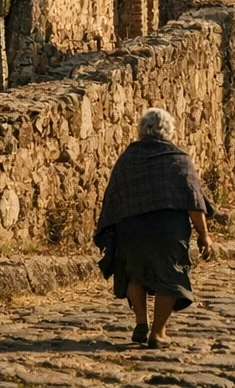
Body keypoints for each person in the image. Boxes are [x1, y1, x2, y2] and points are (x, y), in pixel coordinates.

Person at [96, 108, 215, 347]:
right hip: (167, 230)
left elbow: (114, 196)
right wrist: (204, 235)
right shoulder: (178, 159)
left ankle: (141, 321)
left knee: (134, 273)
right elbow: (194, 202)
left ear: (141, 130)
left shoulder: (127, 158)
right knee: (170, 276)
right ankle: (157, 333)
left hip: (130, 228)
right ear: (169, 131)